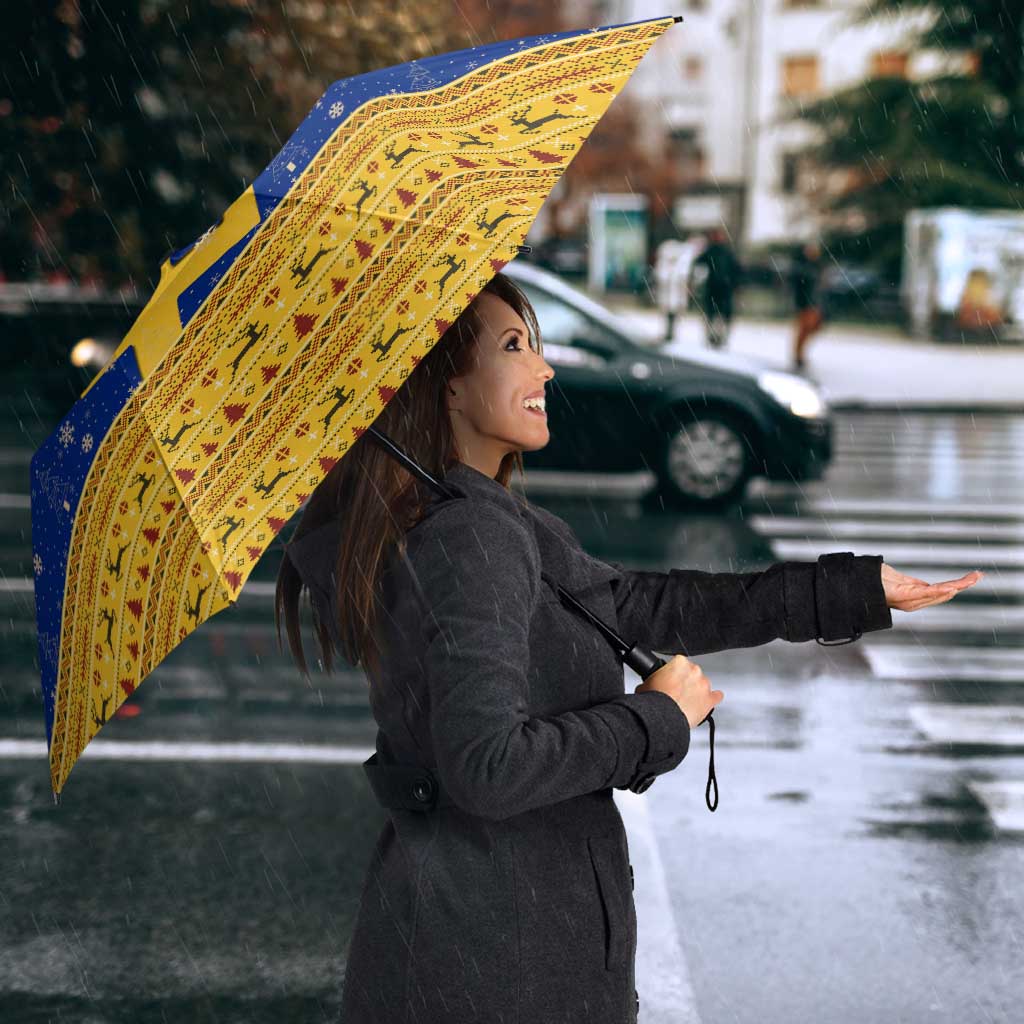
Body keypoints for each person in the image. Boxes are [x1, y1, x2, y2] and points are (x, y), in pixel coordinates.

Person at [276, 271, 979, 1024]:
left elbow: (640, 605)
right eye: (514, 346)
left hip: (479, 941)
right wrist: (655, 719)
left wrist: (850, 590)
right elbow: (487, 767)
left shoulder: (475, 518)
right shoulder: (470, 536)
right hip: (499, 962)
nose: (544, 368)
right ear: (446, 385)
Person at [692, 226, 742, 349]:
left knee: (720, 315)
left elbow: (736, 270)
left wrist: (735, 284)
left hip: (723, 288)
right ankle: (713, 337)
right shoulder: (712, 251)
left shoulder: (725, 252)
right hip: (715, 288)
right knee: (713, 314)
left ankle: (719, 337)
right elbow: (698, 264)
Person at [790, 239, 826, 370]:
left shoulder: (817, 266)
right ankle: (798, 355)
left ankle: (799, 354)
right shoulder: (802, 267)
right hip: (805, 303)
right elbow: (799, 286)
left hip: (814, 303)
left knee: (812, 328)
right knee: (804, 329)